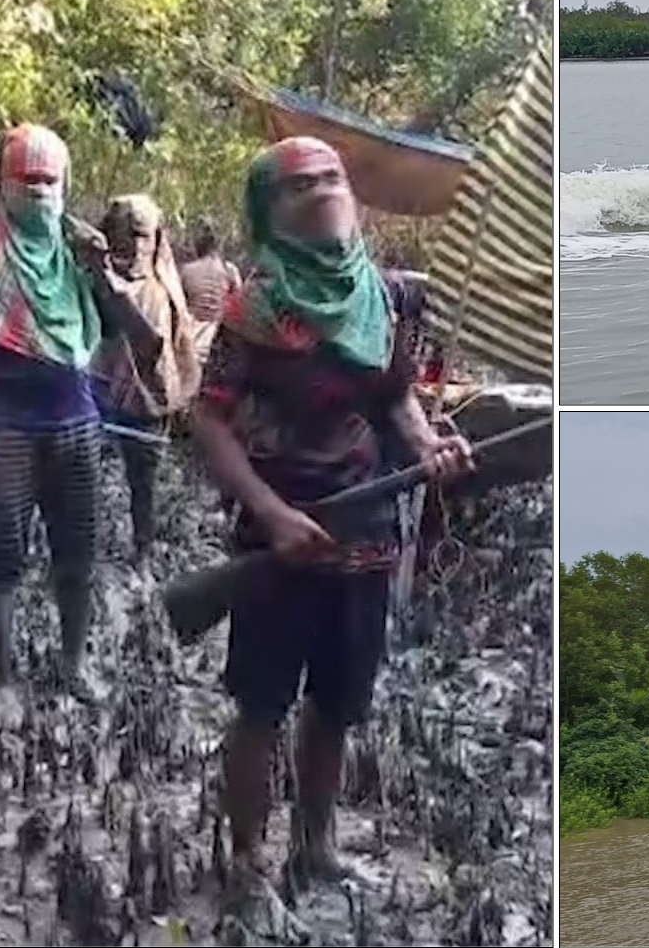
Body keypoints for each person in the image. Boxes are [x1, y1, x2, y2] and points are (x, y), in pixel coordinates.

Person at [192, 136, 474, 927]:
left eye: (331, 178)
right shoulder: (256, 308)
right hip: (277, 532)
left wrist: (427, 445)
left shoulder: (384, 298)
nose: (321, 192)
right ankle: (248, 861)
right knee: (260, 704)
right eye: (300, 185)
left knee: (337, 705)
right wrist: (271, 512)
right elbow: (208, 421)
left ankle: (314, 844)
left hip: (367, 525)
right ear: (270, 212)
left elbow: (393, 400)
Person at [0, 123, 129, 711]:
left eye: (50, 180)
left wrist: (102, 272)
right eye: (27, 179)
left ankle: (73, 665)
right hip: (3, 423)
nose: (39, 191)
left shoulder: (76, 248)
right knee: (3, 556)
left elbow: (113, 332)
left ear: (65, 184)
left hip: (77, 421)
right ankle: (1, 679)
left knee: (77, 554)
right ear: (3, 181)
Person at [88, 194, 202, 568]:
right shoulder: (93, 279)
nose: (136, 246)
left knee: (143, 487)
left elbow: (159, 344)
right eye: (128, 234)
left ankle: (142, 554)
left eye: (144, 236)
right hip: (97, 398)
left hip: (148, 403)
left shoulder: (163, 287)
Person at [178, 224, 242, 366]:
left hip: (192, 339)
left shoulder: (187, 270)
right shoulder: (229, 270)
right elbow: (240, 306)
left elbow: (177, 306)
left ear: (197, 248)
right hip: (219, 339)